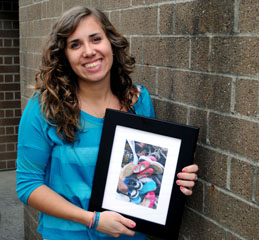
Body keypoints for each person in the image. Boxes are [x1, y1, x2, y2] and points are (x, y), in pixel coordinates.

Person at [16, 6, 199, 240]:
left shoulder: (139, 101)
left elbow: (146, 167)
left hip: (128, 235)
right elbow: (28, 185)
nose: (89, 51)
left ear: (111, 42)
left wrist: (176, 173)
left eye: (95, 39)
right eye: (75, 45)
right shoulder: (44, 107)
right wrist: (93, 220)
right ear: (64, 55)